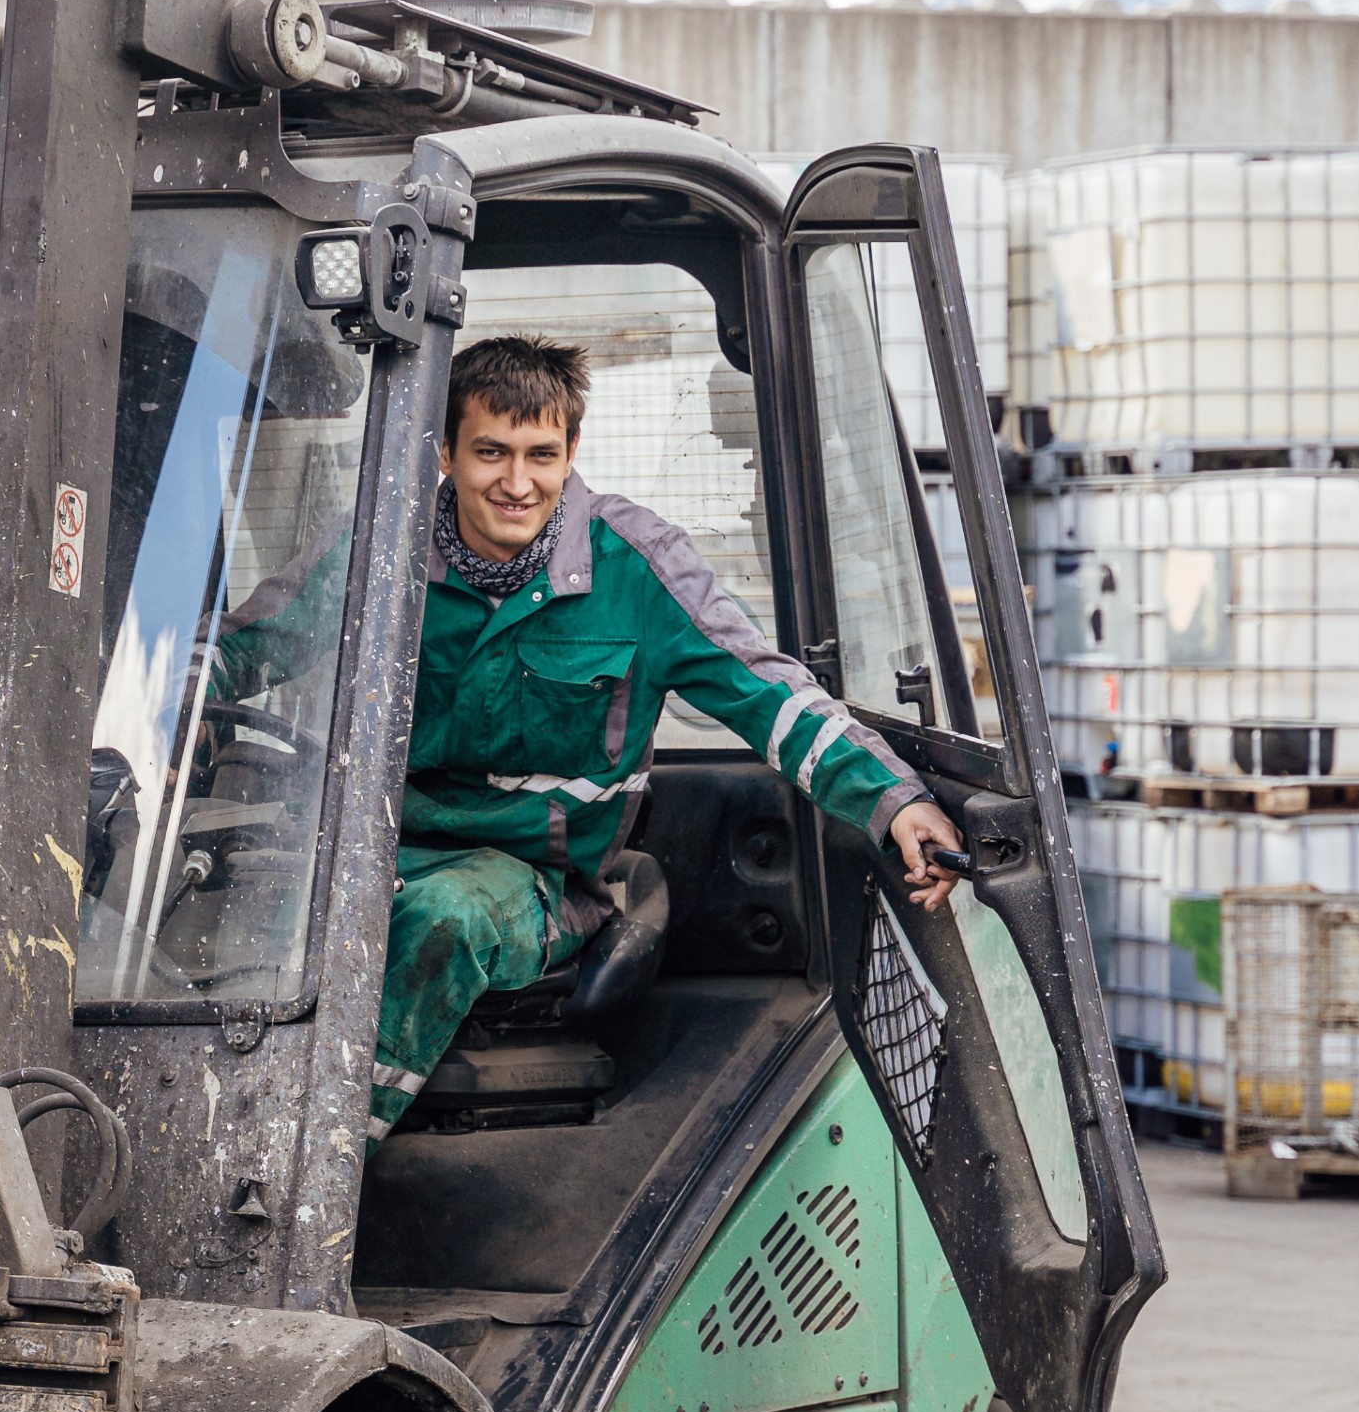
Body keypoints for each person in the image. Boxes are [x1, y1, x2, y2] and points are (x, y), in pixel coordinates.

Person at [354, 334, 965, 1138]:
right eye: (491, 452)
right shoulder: (380, 553)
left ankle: (332, 1157)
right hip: (375, 855)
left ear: (572, 451)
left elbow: (767, 694)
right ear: (445, 453)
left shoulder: (637, 567)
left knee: (444, 919)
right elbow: (251, 644)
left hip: (532, 878)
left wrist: (893, 801)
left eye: (541, 455)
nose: (517, 482)